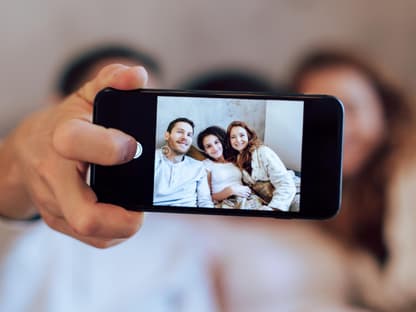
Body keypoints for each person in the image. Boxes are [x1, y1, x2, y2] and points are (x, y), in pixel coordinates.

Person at [0, 46, 218, 311]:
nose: (131, 134)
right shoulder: (26, 215)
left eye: (149, 113)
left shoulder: (178, 235)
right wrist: (19, 158)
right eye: (117, 110)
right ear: (56, 107)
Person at [291, 49, 416, 311]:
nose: (340, 131)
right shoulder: (335, 202)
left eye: (352, 109)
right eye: (321, 117)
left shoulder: (409, 175)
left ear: (384, 110)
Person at [226, 120, 296, 211]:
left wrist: (273, 208)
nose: (238, 140)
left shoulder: (263, 152)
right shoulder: (237, 159)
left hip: (289, 195)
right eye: (233, 137)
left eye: (242, 135)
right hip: (267, 200)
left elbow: (286, 184)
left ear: (248, 135)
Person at [197, 126, 263, 209]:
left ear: (222, 141)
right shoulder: (206, 165)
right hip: (227, 203)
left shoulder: (234, 159)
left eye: (216, 142)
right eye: (208, 146)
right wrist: (230, 190)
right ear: (205, 150)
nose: (215, 148)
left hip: (248, 198)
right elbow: (208, 198)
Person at [154, 117, 214, 208]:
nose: (184, 137)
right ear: (167, 135)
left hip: (188, 216)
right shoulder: (153, 158)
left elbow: (205, 201)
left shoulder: (198, 166)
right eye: (180, 132)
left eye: (189, 135)